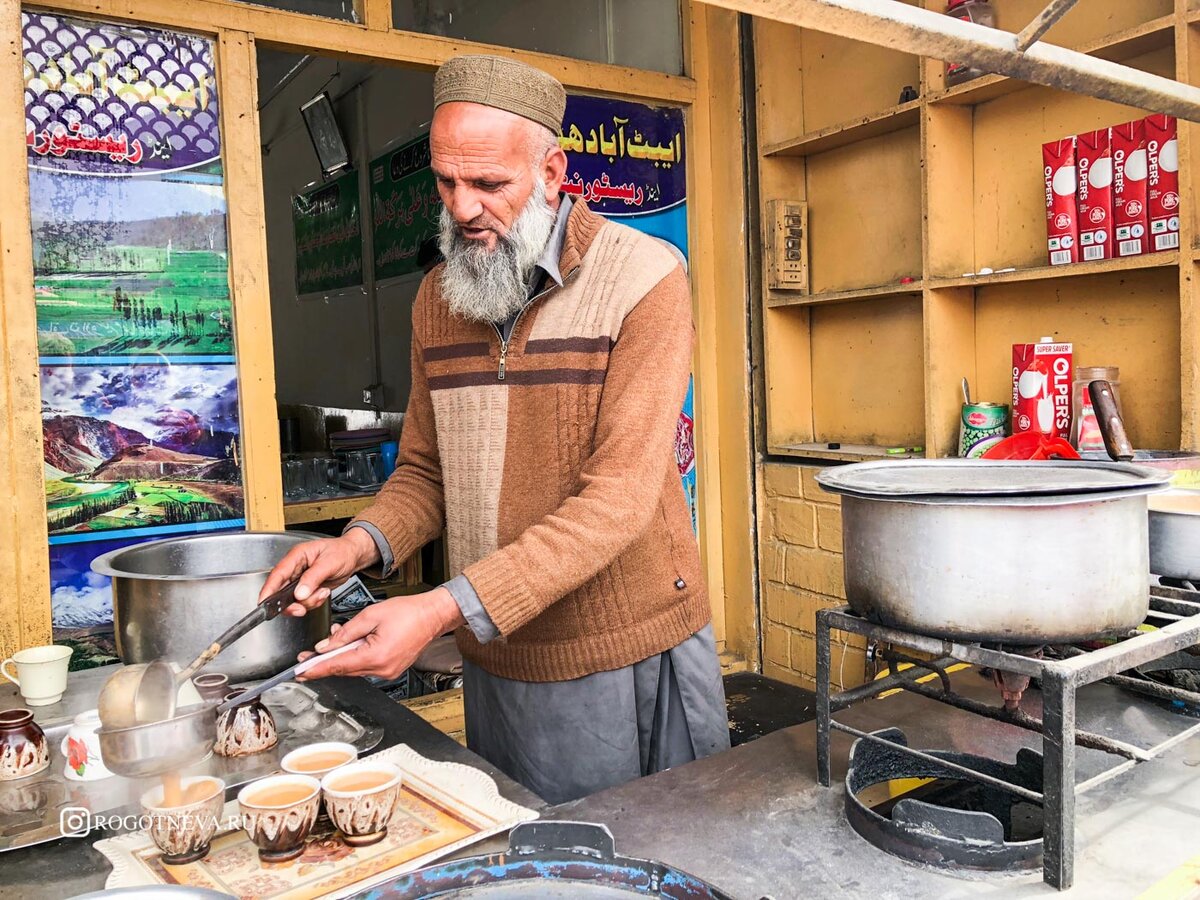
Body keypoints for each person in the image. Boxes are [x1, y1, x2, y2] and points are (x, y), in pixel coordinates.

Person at [260, 54, 730, 804]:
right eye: (447, 183)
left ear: (551, 171)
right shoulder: (436, 300)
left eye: (488, 184)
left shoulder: (645, 278)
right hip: (494, 649)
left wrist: (439, 609)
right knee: (523, 846)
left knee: (632, 858)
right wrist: (354, 546)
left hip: (620, 647)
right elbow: (424, 471)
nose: (463, 208)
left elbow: (617, 501)